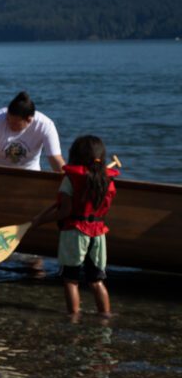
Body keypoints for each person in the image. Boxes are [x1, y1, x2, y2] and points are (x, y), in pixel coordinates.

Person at [31, 135, 116, 318]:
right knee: (96, 280)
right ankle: (105, 315)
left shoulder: (71, 180)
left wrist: (40, 221)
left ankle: (74, 315)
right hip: (98, 235)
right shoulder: (105, 180)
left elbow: (64, 212)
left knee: (71, 280)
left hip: (75, 233)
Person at [0, 91, 65, 171]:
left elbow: (54, 158)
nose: (9, 125)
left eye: (15, 123)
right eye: (8, 119)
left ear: (29, 120)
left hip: (29, 174)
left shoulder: (45, 126)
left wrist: (67, 183)